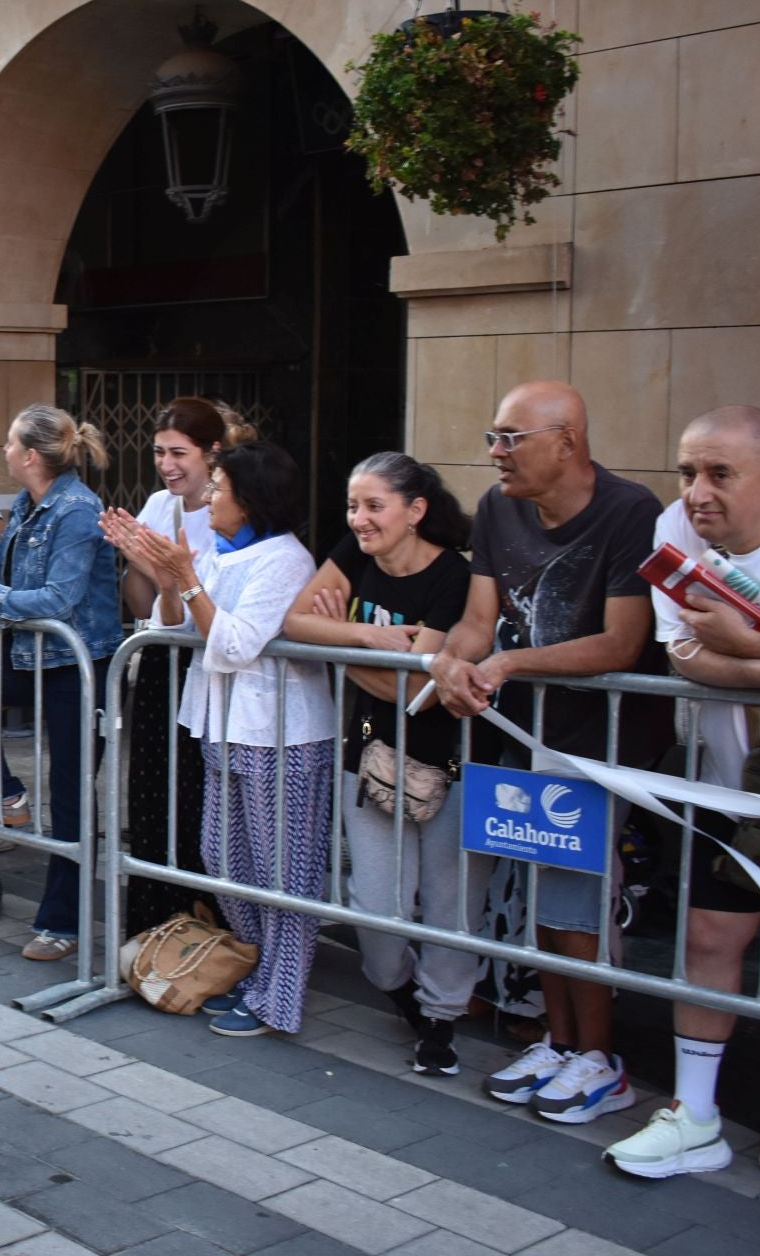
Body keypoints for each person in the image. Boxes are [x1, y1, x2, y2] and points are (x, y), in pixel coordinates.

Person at [429, 380, 667, 1123]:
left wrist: (506, 663)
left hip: (602, 741)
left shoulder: (631, 512)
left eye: (511, 437)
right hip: (525, 733)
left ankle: (601, 1059)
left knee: (576, 899)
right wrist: (451, 663)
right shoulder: (498, 508)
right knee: (541, 891)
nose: (496, 453)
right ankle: (560, 1043)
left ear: (567, 442)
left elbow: (621, 642)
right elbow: (478, 620)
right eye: (492, 437)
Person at [604, 406, 760, 1177]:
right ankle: (696, 1116)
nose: (697, 491)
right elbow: (681, 653)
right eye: (687, 472)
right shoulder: (675, 527)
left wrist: (744, 647)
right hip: (725, 782)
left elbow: (718, 651)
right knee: (709, 938)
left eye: (719, 474)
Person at [114, 439, 336, 1033]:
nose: (209, 497)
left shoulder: (285, 561)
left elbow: (235, 644)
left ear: (251, 499)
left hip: (279, 737)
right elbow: (175, 625)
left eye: (220, 488)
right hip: (221, 726)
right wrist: (169, 579)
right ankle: (255, 970)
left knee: (282, 874)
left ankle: (278, 1000)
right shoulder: (222, 551)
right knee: (224, 859)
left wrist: (187, 578)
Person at [282, 452, 481, 1071]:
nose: (359, 519)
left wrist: (337, 647)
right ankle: (400, 988)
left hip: (451, 761)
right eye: (353, 506)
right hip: (368, 755)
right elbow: (295, 622)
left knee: (450, 901)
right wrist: (368, 637)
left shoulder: (454, 576)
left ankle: (440, 1020)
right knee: (373, 902)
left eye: (374, 506)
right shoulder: (354, 553)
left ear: (415, 511)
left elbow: (420, 690)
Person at [0, 403, 122, 960]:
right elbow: (8, 566)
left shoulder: (78, 510)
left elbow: (59, 598)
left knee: (71, 795)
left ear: (31, 456)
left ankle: (63, 924)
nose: (4, 452)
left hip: (79, 664)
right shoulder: (32, 505)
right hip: (31, 653)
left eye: (10, 444)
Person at [100, 398, 232, 934]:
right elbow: (146, 602)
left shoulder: (229, 514)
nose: (167, 464)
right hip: (159, 658)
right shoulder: (158, 504)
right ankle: (151, 925)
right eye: (159, 452)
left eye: (179, 453)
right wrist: (138, 563)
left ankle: (203, 925)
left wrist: (163, 570)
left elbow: (203, 606)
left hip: (204, 664)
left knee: (195, 795)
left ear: (212, 453)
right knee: (149, 791)